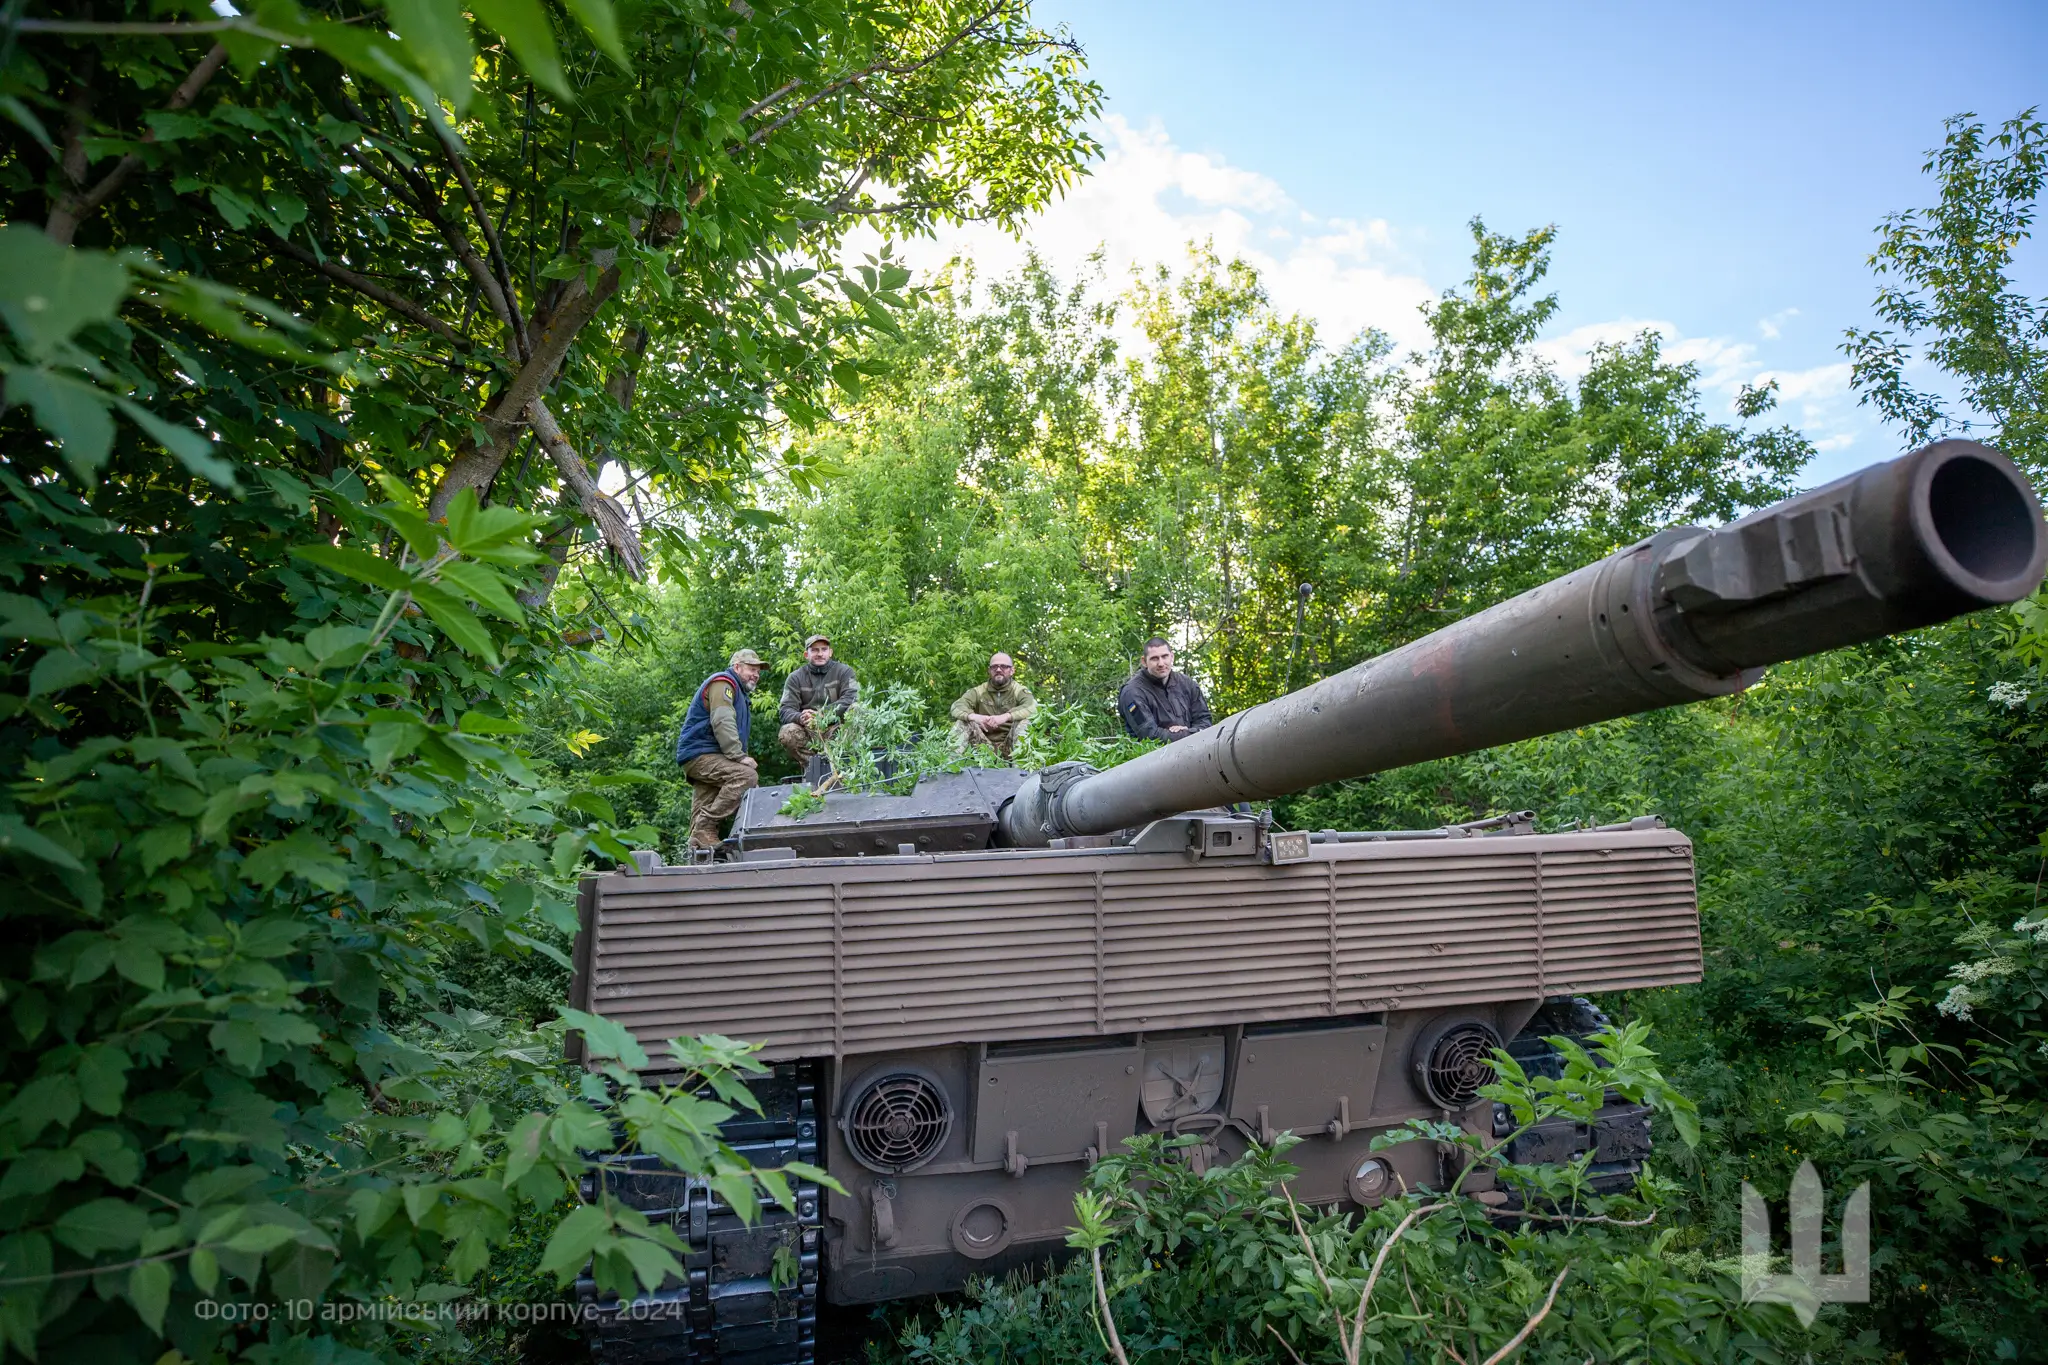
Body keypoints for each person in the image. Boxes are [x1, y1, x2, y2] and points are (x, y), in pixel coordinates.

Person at [673, 649, 764, 850]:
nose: (756, 674)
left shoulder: (738, 692)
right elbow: (722, 721)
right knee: (746, 777)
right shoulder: (724, 683)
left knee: (702, 812)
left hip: (708, 754)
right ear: (737, 667)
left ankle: (696, 855)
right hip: (702, 754)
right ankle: (705, 827)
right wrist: (739, 757)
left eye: (758, 671)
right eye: (751, 669)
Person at [777, 633, 860, 766]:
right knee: (787, 732)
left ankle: (846, 763)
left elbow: (851, 698)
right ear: (806, 655)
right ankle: (814, 767)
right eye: (814, 650)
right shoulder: (795, 678)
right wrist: (801, 717)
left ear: (830, 652)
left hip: (839, 730)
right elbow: (785, 710)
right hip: (809, 732)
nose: (820, 654)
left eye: (824, 649)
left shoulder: (845, 671)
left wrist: (822, 714)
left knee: (858, 709)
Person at [1118, 637, 1213, 743]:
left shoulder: (1187, 684)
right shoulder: (1132, 692)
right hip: (1152, 757)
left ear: (1172, 657)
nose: (1161, 663)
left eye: (1165, 656)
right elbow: (1150, 736)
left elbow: (1205, 722)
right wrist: (1190, 734)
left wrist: (1189, 731)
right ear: (1144, 661)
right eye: (1154, 658)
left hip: (1196, 752)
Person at [949, 652, 1037, 760]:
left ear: (1012, 670)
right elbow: (957, 706)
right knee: (963, 722)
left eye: (1004, 666)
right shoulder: (979, 691)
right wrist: (976, 717)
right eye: (994, 666)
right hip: (983, 747)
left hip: (1010, 748)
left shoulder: (1019, 690)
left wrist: (1005, 717)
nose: (999, 670)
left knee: (1024, 723)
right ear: (989, 670)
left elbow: (1032, 707)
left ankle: (1021, 772)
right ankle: (948, 769)